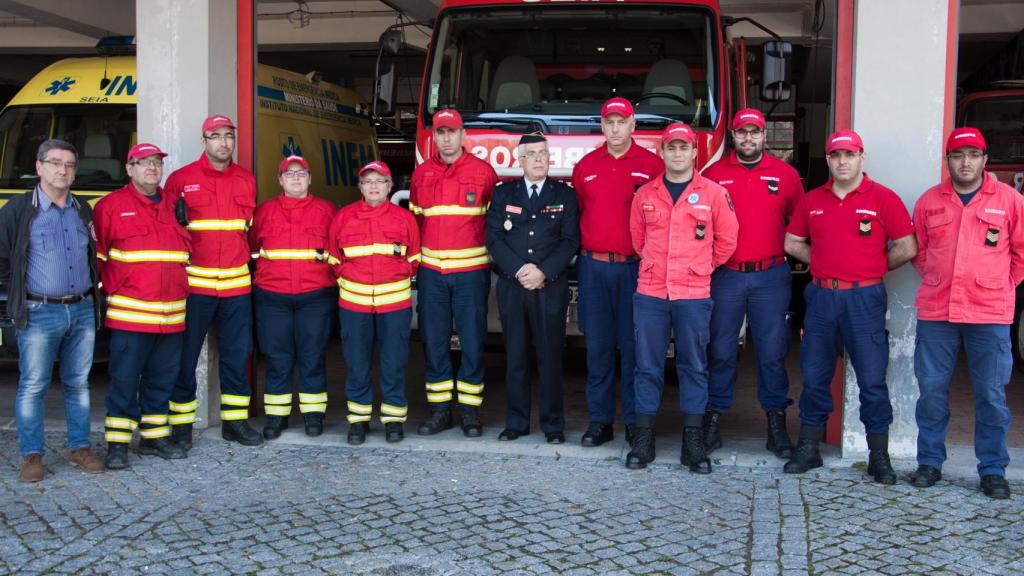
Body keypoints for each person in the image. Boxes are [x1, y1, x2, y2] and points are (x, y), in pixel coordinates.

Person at [783, 129, 917, 483]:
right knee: (814, 376)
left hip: (865, 299)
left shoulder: (883, 199)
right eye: (836, 156)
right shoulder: (812, 200)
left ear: (862, 157)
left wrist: (871, 268)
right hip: (822, 296)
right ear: (828, 159)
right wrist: (824, 264)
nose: (842, 161)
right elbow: (793, 242)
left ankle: (878, 456)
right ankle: (809, 448)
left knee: (873, 380)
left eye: (849, 155)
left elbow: (907, 246)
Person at [909, 127, 1023, 499]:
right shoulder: (930, 201)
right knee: (931, 392)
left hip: (989, 314)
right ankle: (929, 462)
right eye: (958, 155)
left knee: (991, 394)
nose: (966, 162)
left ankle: (992, 469)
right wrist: (944, 279)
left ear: (984, 160)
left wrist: (998, 285)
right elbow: (921, 254)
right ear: (948, 161)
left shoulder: (1009, 201)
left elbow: (1020, 256)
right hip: (937, 311)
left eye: (973, 155)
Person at [628, 123, 738, 473]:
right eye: (671, 148)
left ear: (694, 153)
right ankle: (643, 440)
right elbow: (637, 240)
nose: (677, 153)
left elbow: (726, 242)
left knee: (694, 366)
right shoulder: (645, 195)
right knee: (647, 367)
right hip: (651, 293)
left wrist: (699, 267)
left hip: (693, 293)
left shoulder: (714, 194)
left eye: (683, 147)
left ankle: (693, 442)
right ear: (662, 153)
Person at [702, 108, 804, 458]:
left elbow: (801, 225)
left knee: (773, 353)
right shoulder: (713, 174)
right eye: (742, 132)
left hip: (771, 276)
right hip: (726, 274)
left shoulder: (786, 175)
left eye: (754, 132)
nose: (748, 138)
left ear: (764, 136)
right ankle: (712, 421)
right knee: (719, 350)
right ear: (732, 135)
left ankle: (776, 427)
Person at [0, 139, 103, 482]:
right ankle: (32, 455)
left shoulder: (82, 209)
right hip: (39, 311)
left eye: (70, 164)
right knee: (33, 385)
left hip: (83, 309)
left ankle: (79, 448)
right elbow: (3, 261)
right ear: (39, 166)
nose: (63, 170)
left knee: (78, 384)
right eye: (56, 163)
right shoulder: (18, 210)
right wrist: (18, 298)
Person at [165, 115, 261, 448]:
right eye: (216, 136)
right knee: (185, 357)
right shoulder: (180, 180)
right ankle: (180, 427)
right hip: (195, 286)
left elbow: (247, 231)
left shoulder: (246, 180)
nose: (224, 142)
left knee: (237, 356)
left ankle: (235, 423)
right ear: (203, 140)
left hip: (236, 285)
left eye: (229, 136)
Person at [572, 97, 663, 447]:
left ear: (632, 125)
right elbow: (580, 211)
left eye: (621, 122)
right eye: (609, 122)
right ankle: (600, 422)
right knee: (597, 350)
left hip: (634, 270)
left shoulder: (652, 165)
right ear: (602, 125)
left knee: (634, 350)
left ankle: (634, 424)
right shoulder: (586, 166)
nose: (614, 128)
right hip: (594, 267)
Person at [94, 143, 191, 469]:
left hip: (172, 315)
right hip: (131, 315)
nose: (151, 168)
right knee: (124, 379)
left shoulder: (175, 205)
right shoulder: (110, 206)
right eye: (143, 163)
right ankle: (117, 445)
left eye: (156, 163)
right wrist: (115, 290)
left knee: (161, 380)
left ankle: (154, 437)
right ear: (129, 168)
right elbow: (98, 260)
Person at [486, 133, 580, 444]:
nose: (540, 159)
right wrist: (519, 270)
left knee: (550, 356)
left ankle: (553, 426)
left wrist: (543, 272)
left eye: (544, 153)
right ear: (520, 160)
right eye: (533, 154)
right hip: (513, 286)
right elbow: (494, 240)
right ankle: (516, 423)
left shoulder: (564, 195)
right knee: (515, 356)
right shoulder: (503, 194)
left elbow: (570, 242)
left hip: (549, 286)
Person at [409, 109, 498, 438]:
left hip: (470, 274)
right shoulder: (422, 175)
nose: (446, 139)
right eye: (440, 132)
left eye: (452, 132)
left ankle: (470, 413)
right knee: (434, 342)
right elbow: (416, 222)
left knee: (473, 341)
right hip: (432, 273)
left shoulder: (483, 173)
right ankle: (439, 411)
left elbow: (492, 223)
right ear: (434, 135)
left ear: (463, 135)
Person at [329, 161, 420, 444]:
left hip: (394, 305)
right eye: (368, 181)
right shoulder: (343, 217)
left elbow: (414, 258)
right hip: (354, 305)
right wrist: (348, 278)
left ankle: (393, 420)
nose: (373, 186)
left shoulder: (404, 219)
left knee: (394, 363)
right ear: (360, 187)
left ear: (390, 186)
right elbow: (334, 259)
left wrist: (396, 276)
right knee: (357, 364)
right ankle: (358, 420)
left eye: (379, 181)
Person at [249, 155, 337, 440]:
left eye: (301, 174)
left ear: (310, 178)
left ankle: (313, 416)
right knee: (277, 358)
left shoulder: (327, 211)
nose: (296, 178)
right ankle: (277, 416)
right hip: (273, 297)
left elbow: (338, 251)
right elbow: (252, 250)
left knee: (312, 356)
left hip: (315, 295)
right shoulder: (263, 212)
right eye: (289, 174)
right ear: (280, 180)